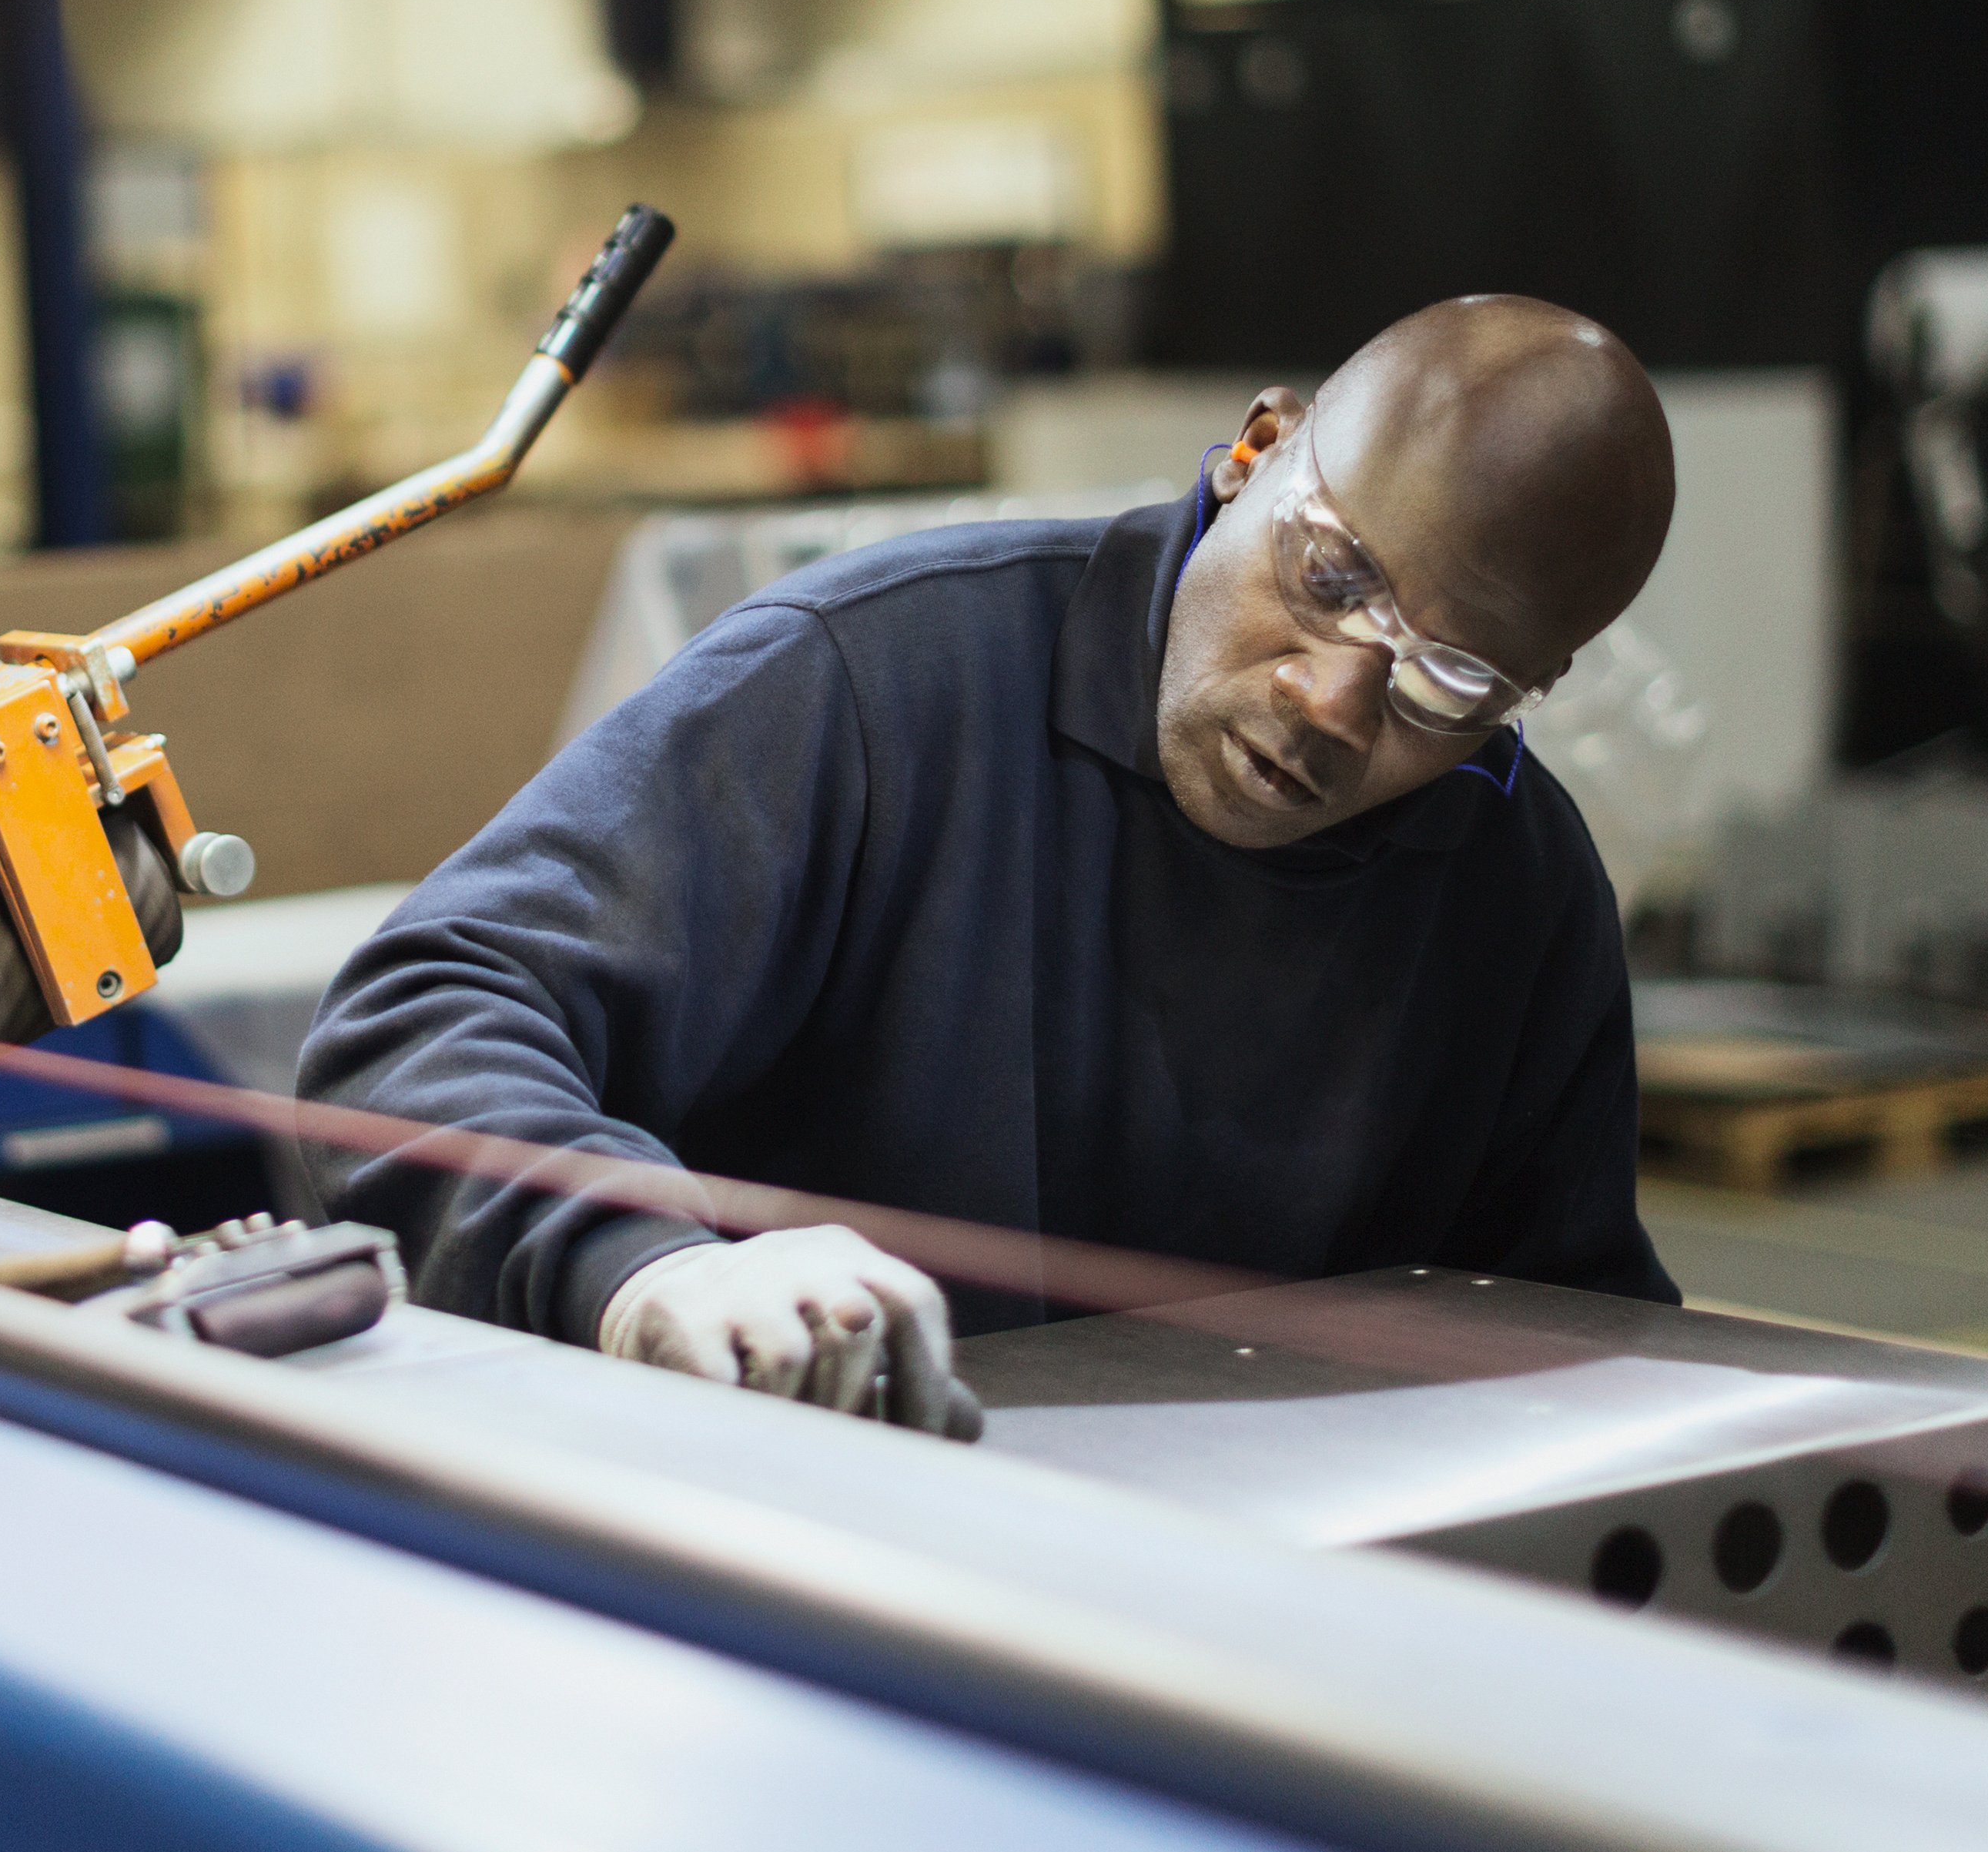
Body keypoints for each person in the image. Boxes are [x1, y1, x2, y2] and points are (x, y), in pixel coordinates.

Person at [294, 295, 1681, 1436]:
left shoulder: (1515, 886)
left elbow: (1573, 1341)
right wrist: (637, 1265)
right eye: (1327, 580)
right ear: (1254, 455)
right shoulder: (867, 684)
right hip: (791, 1574)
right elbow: (421, 1017)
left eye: (1445, 684)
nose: (1332, 699)